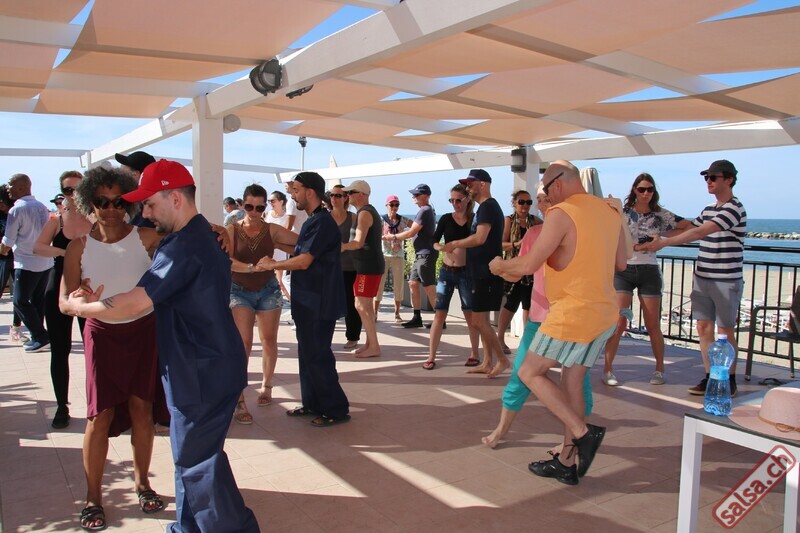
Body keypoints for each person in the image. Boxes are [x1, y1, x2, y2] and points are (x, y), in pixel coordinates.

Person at [64, 159, 259, 532]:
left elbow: (135, 303)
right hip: (204, 367)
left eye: (150, 204)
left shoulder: (183, 246)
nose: (146, 213)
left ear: (175, 198)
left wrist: (79, 307)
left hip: (200, 372)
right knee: (193, 459)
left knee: (198, 465)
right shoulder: (201, 236)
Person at [489, 160, 628, 485]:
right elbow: (622, 262)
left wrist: (499, 266)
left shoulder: (562, 213)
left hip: (573, 314)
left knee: (529, 372)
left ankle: (583, 433)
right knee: (572, 382)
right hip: (604, 314)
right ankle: (567, 462)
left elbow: (528, 265)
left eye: (546, 191)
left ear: (558, 184)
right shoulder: (608, 211)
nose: (545, 198)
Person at [59, 166, 167, 531]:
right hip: (101, 334)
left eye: (118, 202)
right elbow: (64, 302)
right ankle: (93, 498)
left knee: (142, 409)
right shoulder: (78, 248)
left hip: (144, 332)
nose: (110, 209)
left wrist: (221, 231)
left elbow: (187, 236)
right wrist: (76, 302)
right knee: (98, 416)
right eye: (101, 202)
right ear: (89, 203)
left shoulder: (147, 238)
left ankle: (143, 483)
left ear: (128, 203)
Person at [643, 160, 746, 397]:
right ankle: (711, 377)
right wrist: (651, 231)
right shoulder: (709, 209)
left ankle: (728, 380)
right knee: (703, 327)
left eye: (713, 177)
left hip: (726, 280)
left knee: (725, 331)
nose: (708, 181)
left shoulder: (734, 208)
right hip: (703, 277)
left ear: (729, 179)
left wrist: (665, 243)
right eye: (706, 177)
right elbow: (688, 228)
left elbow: (700, 232)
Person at [262, 171, 350, 427]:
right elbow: (301, 249)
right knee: (307, 353)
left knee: (318, 355)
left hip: (319, 302)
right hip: (308, 301)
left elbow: (304, 260)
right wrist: (275, 245)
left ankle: (335, 408)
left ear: (310, 192)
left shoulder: (322, 222)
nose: (292, 194)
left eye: (296, 189)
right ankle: (312, 402)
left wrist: (271, 265)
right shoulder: (314, 221)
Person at [602, 173, 691, 387]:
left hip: (649, 270)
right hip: (623, 270)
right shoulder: (622, 212)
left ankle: (659, 370)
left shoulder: (660, 214)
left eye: (650, 189)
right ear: (634, 190)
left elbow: (689, 227)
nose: (645, 193)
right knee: (618, 322)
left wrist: (665, 238)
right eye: (641, 189)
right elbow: (607, 234)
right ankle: (607, 369)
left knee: (652, 324)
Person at [228, 184, 297, 425]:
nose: (254, 212)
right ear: (243, 205)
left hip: (268, 289)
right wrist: (251, 268)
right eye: (249, 206)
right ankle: (239, 399)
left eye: (259, 207)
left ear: (265, 206)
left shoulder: (272, 230)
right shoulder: (232, 230)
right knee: (243, 344)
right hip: (239, 290)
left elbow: (302, 244)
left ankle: (267, 386)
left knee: (269, 340)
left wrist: (280, 247)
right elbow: (227, 260)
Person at [33, 170, 93, 429]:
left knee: (94, 349)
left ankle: (97, 404)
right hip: (58, 286)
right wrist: (66, 252)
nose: (74, 194)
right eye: (68, 190)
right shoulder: (56, 222)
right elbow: (37, 247)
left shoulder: (94, 219)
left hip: (88, 287)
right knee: (60, 350)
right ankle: (61, 406)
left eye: (78, 188)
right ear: (63, 192)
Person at [443, 169, 508, 378]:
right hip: (481, 272)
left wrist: (455, 243)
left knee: (478, 321)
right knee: (482, 320)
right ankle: (488, 362)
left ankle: (502, 360)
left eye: (470, 185)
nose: (467, 188)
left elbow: (480, 238)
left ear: (483, 184)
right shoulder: (486, 208)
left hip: (484, 274)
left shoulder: (487, 207)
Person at [424, 184, 480, 369]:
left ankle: (475, 353)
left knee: (470, 315)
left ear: (467, 200)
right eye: (452, 200)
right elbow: (433, 240)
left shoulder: (474, 220)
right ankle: (431, 356)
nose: (455, 204)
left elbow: (479, 241)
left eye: (458, 200)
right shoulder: (446, 219)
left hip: (467, 272)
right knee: (439, 313)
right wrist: (440, 247)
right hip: (447, 271)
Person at [1, 173, 53, 352]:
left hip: (26, 263)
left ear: (21, 187)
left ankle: (41, 337)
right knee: (37, 301)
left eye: (10, 185)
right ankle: (38, 337)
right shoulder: (42, 207)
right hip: (45, 262)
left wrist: (3, 249)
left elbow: (8, 240)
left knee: (20, 301)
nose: (7, 189)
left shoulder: (17, 209)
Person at [341, 180, 385, 358]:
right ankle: (370, 344)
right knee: (366, 306)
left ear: (361, 195)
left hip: (368, 267)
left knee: (360, 305)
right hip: (368, 266)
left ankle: (374, 346)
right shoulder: (366, 211)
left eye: (350, 193)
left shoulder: (365, 213)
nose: (347, 196)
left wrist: (342, 246)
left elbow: (358, 242)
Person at [497, 190, 542, 355]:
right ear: (514, 203)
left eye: (528, 202)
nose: (525, 205)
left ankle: (527, 341)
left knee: (529, 305)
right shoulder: (509, 220)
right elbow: (501, 244)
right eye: (521, 202)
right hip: (514, 268)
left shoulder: (535, 221)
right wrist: (517, 244)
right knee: (511, 304)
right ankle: (500, 338)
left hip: (531, 269)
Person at [386, 184, 437, 329]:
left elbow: (411, 232)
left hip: (425, 254)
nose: (413, 196)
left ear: (426, 196)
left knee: (429, 287)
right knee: (413, 283)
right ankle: (417, 317)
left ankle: (440, 319)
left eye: (417, 194)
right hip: (420, 254)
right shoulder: (425, 210)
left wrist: (393, 237)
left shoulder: (425, 210)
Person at [329, 184, 361, 350]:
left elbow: (360, 240)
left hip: (350, 267)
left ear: (345, 198)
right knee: (329, 304)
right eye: (332, 195)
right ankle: (325, 337)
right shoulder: (325, 218)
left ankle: (353, 336)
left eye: (338, 195)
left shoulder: (353, 217)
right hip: (330, 268)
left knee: (351, 304)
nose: (334, 198)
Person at [374, 195, 411, 323]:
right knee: (379, 283)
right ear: (387, 206)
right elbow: (375, 233)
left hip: (398, 255)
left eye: (396, 205)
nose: (394, 207)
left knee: (399, 284)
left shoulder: (402, 219)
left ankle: (397, 313)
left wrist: (400, 236)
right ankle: (375, 312)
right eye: (392, 204)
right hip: (384, 254)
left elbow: (415, 228)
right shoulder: (381, 219)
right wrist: (385, 237)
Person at [0, 185, 26, 342]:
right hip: (2, 258)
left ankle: (16, 326)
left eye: (3, 200)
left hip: (17, 258)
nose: (1, 203)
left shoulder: (15, 213)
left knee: (18, 295)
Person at [115, 151, 157, 228]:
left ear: (136, 174)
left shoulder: (146, 209)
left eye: (122, 174)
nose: (118, 179)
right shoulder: (148, 202)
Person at [266, 190, 291, 300]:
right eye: (269, 201)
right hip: (270, 249)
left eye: (273, 201)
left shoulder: (287, 216)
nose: (270, 203)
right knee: (275, 281)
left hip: (282, 251)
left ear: (281, 202)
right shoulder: (267, 214)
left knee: (281, 281)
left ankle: (294, 303)